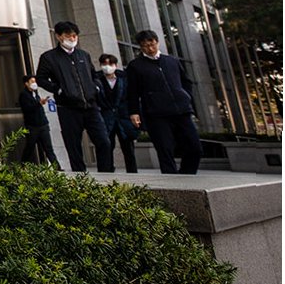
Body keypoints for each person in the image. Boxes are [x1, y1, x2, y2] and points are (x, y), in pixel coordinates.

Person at [36, 21, 114, 172]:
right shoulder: (49, 57)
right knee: (74, 147)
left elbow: (94, 75)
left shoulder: (83, 55)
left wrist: (96, 87)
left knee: (104, 142)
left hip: (90, 106)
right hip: (68, 108)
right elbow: (41, 79)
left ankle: (106, 175)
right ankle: (80, 177)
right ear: (59, 36)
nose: (72, 39)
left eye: (74, 35)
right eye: (68, 36)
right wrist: (58, 89)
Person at [126, 30, 201, 174]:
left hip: (181, 110)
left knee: (194, 147)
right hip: (156, 113)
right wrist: (134, 112)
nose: (150, 48)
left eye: (152, 44)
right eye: (145, 46)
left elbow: (186, 82)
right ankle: (171, 179)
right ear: (141, 47)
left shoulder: (172, 61)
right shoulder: (135, 66)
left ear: (157, 42)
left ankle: (186, 174)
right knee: (165, 149)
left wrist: (186, 97)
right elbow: (132, 91)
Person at [96, 53, 138, 173]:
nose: (107, 66)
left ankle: (132, 172)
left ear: (115, 65)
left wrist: (133, 113)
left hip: (123, 117)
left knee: (128, 147)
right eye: (104, 64)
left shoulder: (124, 79)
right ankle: (107, 171)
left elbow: (131, 96)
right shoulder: (97, 79)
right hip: (105, 117)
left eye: (110, 64)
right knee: (107, 146)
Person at [18, 74, 61, 169]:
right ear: (26, 83)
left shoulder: (35, 94)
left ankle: (57, 167)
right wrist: (39, 103)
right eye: (32, 82)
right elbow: (27, 109)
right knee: (30, 147)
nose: (34, 84)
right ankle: (22, 166)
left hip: (43, 125)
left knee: (48, 148)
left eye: (35, 82)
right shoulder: (24, 95)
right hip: (32, 126)